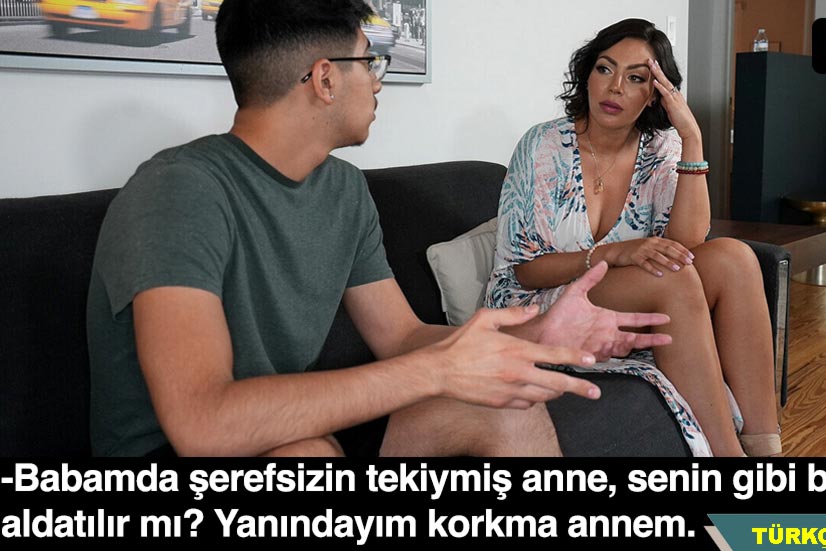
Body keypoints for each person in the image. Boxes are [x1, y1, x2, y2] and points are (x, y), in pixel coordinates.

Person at [86, 0, 672, 458]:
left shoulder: (343, 189)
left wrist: (539, 333)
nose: (377, 80)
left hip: (300, 427)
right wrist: (435, 372)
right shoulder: (178, 192)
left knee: (504, 405)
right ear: (325, 79)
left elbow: (401, 337)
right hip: (181, 454)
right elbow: (203, 425)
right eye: (369, 62)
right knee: (303, 454)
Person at [486, 18, 781, 457]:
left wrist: (692, 138)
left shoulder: (660, 148)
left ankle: (766, 450)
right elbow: (525, 271)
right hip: (535, 303)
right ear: (587, 74)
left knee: (733, 258)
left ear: (655, 94)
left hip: (626, 295)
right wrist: (615, 253)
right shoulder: (543, 146)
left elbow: (688, 245)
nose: (616, 87)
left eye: (637, 78)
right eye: (605, 69)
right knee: (670, 277)